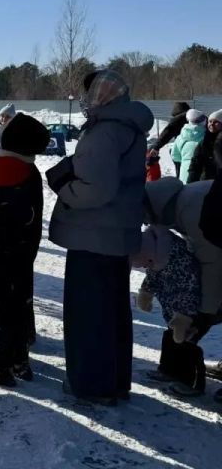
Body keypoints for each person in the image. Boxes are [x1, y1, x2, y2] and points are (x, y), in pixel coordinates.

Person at [46, 69, 153, 405]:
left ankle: (91, 385)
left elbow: (96, 189)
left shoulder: (105, 131)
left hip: (93, 235)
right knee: (112, 313)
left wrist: (63, 185)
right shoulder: (127, 125)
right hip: (115, 235)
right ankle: (113, 380)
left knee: (88, 315)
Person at [0, 113, 50, 386]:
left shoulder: (3, 167)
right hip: (23, 253)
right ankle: (20, 361)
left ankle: (0, 368)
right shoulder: (31, 171)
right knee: (18, 308)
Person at [144, 177, 222, 397]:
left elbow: (212, 263)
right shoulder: (182, 204)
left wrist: (204, 312)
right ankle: (173, 369)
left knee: (196, 319)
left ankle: (189, 377)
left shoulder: (190, 210)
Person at [151, 102, 192, 176]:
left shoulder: (178, 119)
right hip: (199, 149)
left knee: (181, 170)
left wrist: (156, 147)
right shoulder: (197, 117)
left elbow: (167, 133)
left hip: (182, 149)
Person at [171, 110, 205, 184]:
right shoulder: (207, 135)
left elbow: (175, 156)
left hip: (185, 173)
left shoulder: (180, 137)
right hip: (203, 173)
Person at [188, 110, 222, 183]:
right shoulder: (203, 142)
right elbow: (195, 166)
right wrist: (190, 184)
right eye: (210, 121)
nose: (212, 124)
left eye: (216, 122)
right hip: (206, 184)